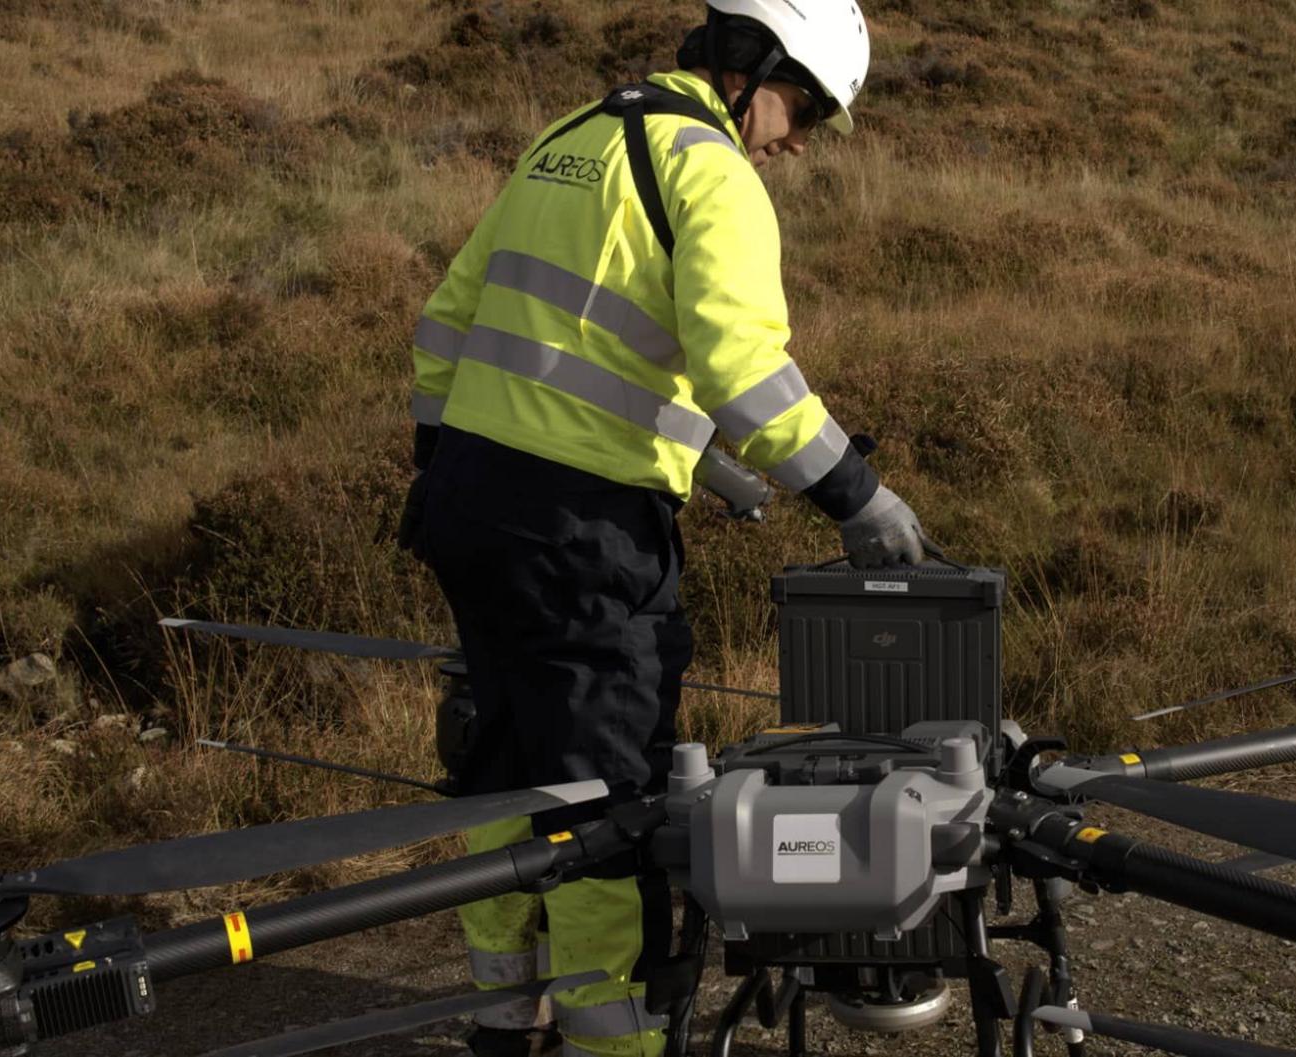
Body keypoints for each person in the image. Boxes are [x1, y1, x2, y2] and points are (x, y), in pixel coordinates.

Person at [396, 2, 924, 1055]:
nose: (802, 138)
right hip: (585, 535)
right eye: (805, 105)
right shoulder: (711, 172)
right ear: (752, 68)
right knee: (610, 795)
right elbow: (746, 372)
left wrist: (465, 464)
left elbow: (453, 320)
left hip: (467, 502)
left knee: (506, 761)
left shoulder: (573, 137)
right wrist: (860, 496)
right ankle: (615, 1040)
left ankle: (505, 1015)